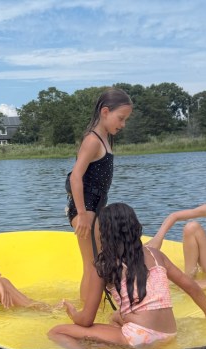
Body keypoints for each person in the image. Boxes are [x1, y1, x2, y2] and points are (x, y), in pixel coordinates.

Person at [49, 203, 206, 349]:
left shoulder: (105, 264)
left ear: (104, 233)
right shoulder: (155, 254)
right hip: (169, 333)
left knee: (57, 331)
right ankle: (109, 344)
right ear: (134, 227)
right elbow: (191, 286)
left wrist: (74, 314)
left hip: (140, 337)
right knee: (115, 317)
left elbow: (87, 320)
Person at [65, 87, 133, 304]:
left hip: (96, 209)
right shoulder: (92, 140)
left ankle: (95, 307)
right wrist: (83, 214)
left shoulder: (105, 139)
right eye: (120, 118)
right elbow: (76, 177)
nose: (123, 124)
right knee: (92, 264)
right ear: (105, 112)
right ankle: (86, 314)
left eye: (125, 120)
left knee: (99, 262)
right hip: (85, 210)